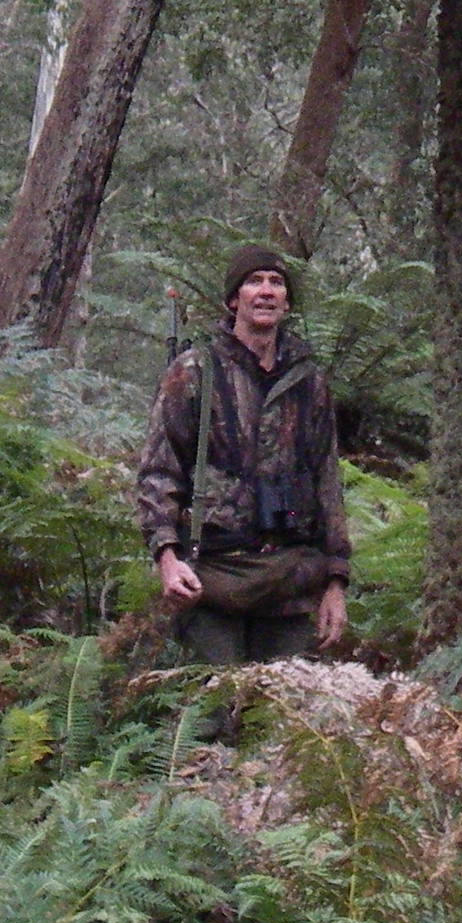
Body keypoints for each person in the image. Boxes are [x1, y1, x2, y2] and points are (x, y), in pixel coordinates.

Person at [135, 244, 352, 664]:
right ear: (234, 299)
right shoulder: (194, 372)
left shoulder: (310, 381)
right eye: (254, 281)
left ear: (287, 302)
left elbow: (328, 482)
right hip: (213, 577)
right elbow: (158, 474)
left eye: (276, 282)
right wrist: (166, 556)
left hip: (291, 582)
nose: (266, 291)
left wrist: (336, 583)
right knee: (211, 715)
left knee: (282, 720)